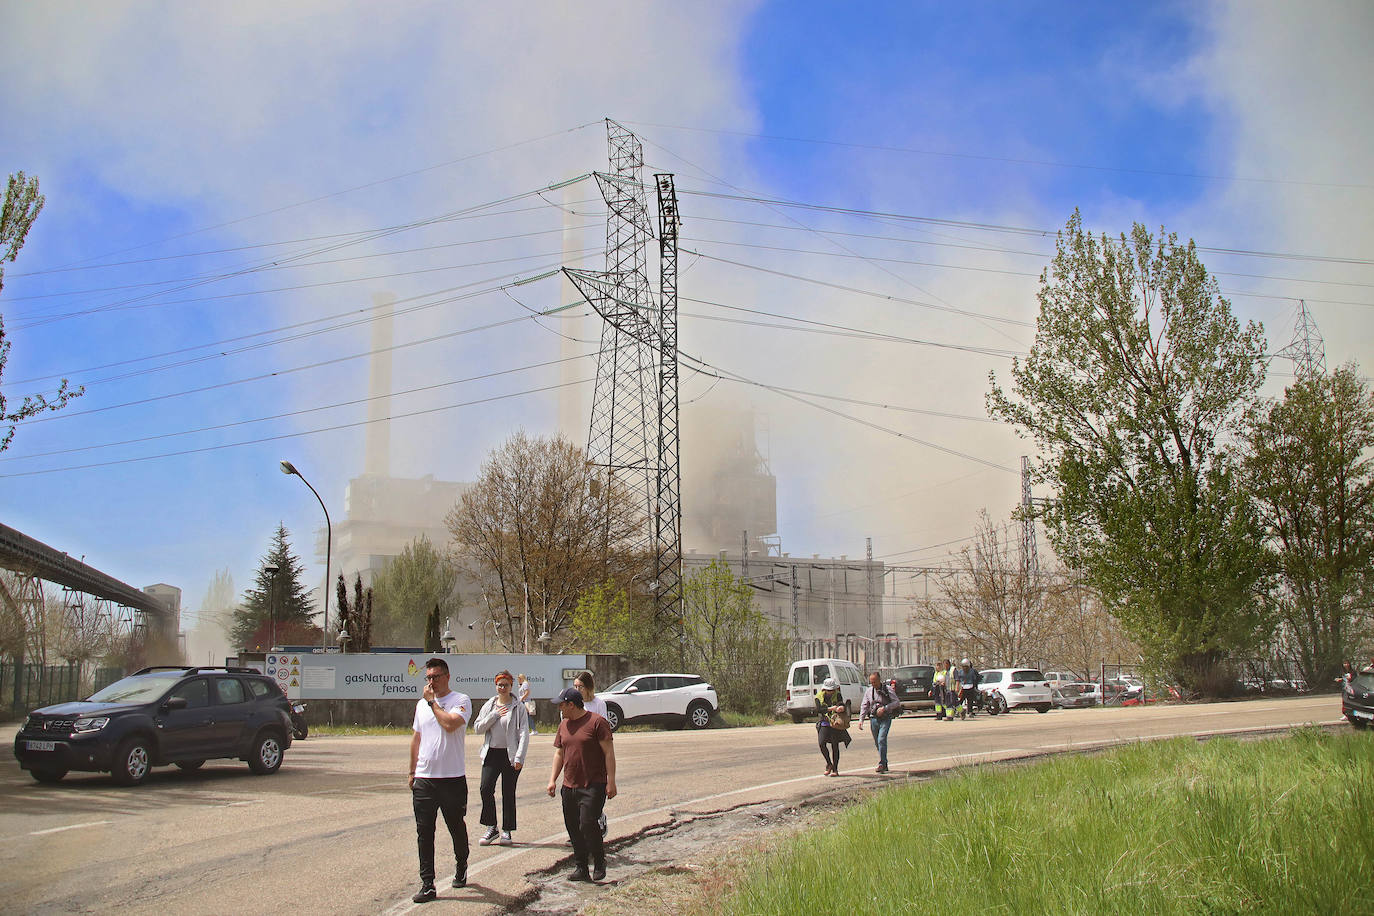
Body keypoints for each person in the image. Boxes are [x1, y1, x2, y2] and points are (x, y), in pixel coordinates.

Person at [408, 658, 472, 904]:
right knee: (424, 832)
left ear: (447, 676)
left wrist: (432, 702)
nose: (431, 682)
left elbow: (449, 724)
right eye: (428, 678)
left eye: (435, 677)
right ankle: (427, 884)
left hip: (452, 778)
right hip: (425, 779)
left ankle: (461, 865)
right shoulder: (421, 705)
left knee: (455, 826)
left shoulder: (460, 700)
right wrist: (412, 772)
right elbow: (416, 738)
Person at [547, 686, 616, 883]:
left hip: (594, 784)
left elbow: (608, 753)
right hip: (569, 785)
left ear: (571, 704)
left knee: (587, 823)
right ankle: (581, 867)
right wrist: (552, 779)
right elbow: (559, 753)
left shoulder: (597, 722)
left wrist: (611, 781)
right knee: (573, 827)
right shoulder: (563, 725)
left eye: (562, 705)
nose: (560, 708)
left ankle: (599, 862)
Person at [473, 670, 530, 847]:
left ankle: (507, 830)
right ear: (495, 685)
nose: (502, 688)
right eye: (499, 684)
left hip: (510, 755)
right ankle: (492, 827)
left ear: (511, 686)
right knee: (485, 788)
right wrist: (494, 715)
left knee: (508, 792)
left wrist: (519, 756)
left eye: (506, 684)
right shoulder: (490, 705)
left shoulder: (518, 706)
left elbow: (523, 733)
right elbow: (477, 728)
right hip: (492, 753)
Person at [574, 671, 609, 839]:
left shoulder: (598, 704)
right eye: (575, 686)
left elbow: (603, 727)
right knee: (577, 794)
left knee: (593, 792)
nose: (577, 689)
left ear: (588, 688)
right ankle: (579, 831)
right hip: (577, 755)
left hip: (594, 754)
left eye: (580, 686)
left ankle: (598, 818)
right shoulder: (572, 704)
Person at [858, 671, 901, 773]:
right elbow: (864, 705)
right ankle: (884, 762)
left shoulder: (888, 689)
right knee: (878, 742)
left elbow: (897, 702)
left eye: (875, 682)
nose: (873, 684)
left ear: (879, 680)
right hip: (874, 719)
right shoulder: (869, 691)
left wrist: (885, 708)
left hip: (885, 718)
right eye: (871, 682)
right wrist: (861, 720)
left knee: (881, 739)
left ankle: (881, 763)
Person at [814, 676, 849, 776]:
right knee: (821, 743)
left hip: (835, 723)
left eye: (832, 690)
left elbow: (841, 703)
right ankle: (829, 764)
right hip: (824, 722)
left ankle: (835, 769)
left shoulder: (837, 695)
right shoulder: (819, 697)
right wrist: (830, 709)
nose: (831, 692)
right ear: (824, 689)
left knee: (835, 745)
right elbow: (819, 709)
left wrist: (841, 707)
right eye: (829, 690)